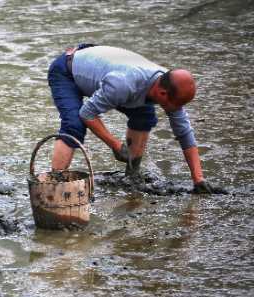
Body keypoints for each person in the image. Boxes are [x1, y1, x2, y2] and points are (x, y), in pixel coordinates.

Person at [48, 44, 225, 193]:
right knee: (74, 125)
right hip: (67, 70)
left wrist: (198, 179)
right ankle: (52, 186)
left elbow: (185, 134)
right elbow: (87, 113)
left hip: (99, 65)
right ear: (162, 93)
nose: (178, 110)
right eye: (177, 105)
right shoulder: (124, 84)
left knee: (144, 116)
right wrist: (116, 145)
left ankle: (131, 177)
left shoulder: (168, 84)